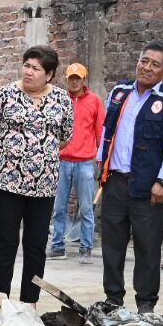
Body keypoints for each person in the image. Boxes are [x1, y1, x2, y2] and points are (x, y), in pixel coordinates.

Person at [0, 46, 75, 303]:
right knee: (7, 244)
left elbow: (63, 139)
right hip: (7, 184)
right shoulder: (4, 95)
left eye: (36, 68)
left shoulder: (62, 100)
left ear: (50, 75)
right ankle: (2, 301)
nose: (28, 72)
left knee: (36, 247)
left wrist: (42, 156)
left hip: (44, 188)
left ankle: (29, 303)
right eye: (26, 66)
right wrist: (7, 155)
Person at [97, 40, 163, 312]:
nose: (146, 68)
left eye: (155, 64)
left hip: (149, 186)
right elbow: (107, 129)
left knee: (147, 248)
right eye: (143, 61)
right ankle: (112, 300)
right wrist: (101, 161)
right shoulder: (120, 90)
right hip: (114, 181)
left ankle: (146, 305)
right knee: (111, 245)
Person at [48, 62, 104, 263]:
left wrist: (101, 159)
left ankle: (86, 248)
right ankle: (57, 246)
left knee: (86, 208)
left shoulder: (94, 101)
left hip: (85, 162)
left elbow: (100, 131)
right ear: (67, 79)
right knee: (59, 206)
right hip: (62, 160)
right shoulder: (60, 100)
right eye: (71, 78)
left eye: (77, 78)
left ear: (83, 80)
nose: (73, 82)